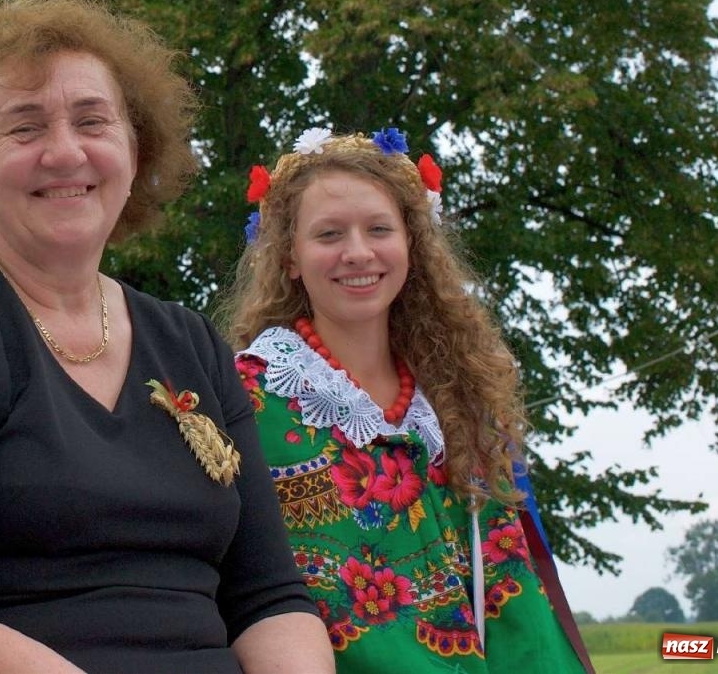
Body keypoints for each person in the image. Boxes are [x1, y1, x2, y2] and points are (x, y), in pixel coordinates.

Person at [0, 0, 335, 674]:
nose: (65, 151)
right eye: (25, 127)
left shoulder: (189, 343)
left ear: (134, 150)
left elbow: (270, 598)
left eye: (93, 121)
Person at [225, 128, 594, 672]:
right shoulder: (245, 399)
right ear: (290, 258)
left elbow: (512, 597)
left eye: (379, 229)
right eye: (329, 234)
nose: (357, 252)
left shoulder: (459, 402)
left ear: (411, 246)